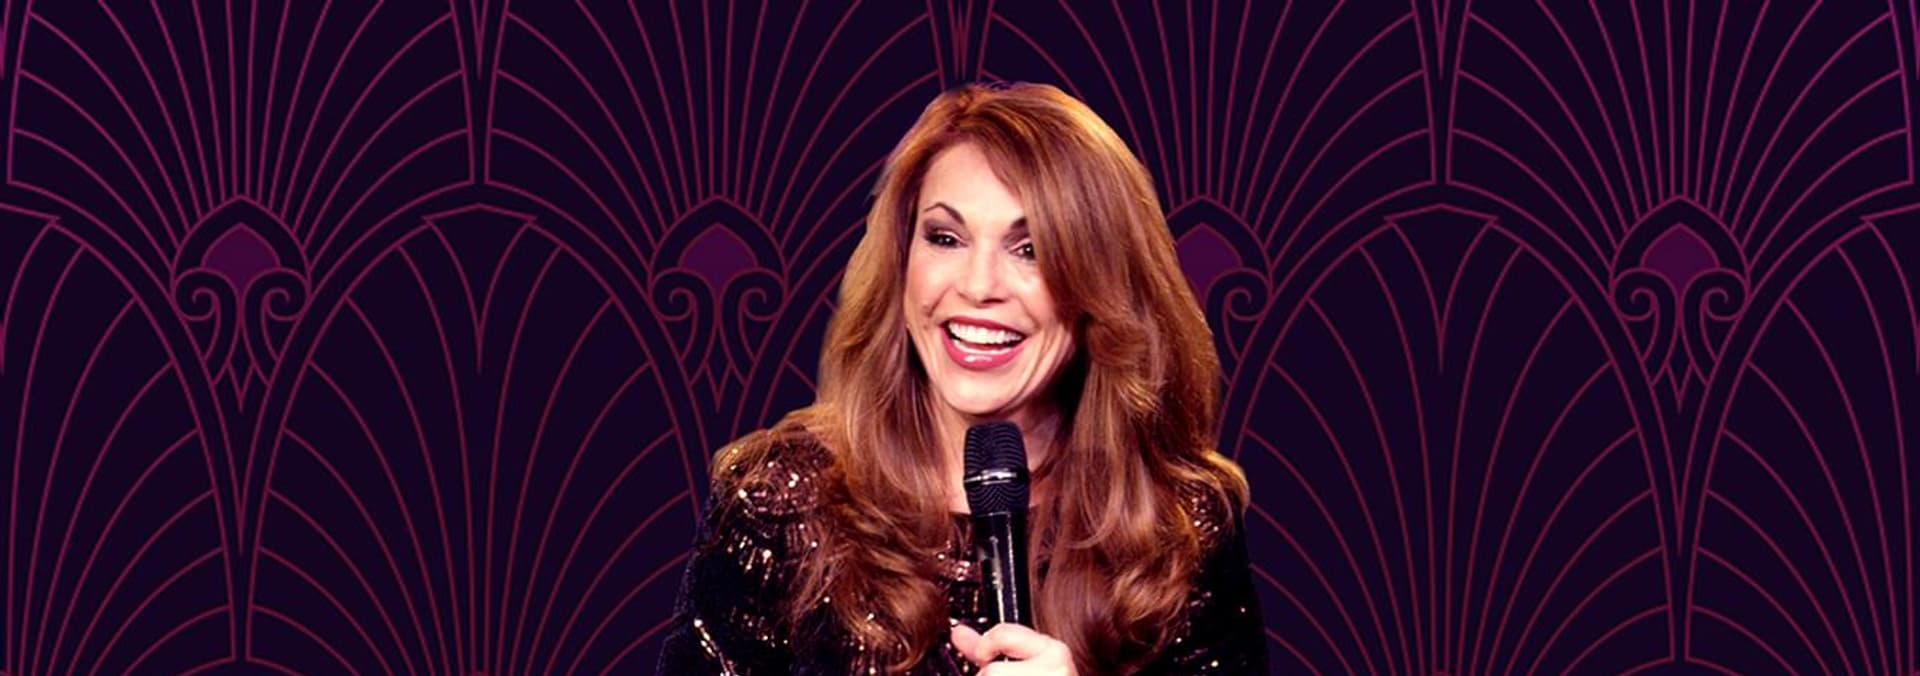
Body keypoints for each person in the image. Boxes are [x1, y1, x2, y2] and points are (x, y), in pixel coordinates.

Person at [655, 82, 1267, 675]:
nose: (978, 287)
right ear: (902, 261)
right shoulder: (779, 498)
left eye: (1031, 249)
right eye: (945, 238)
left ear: (1100, 287)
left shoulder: (1180, 518)